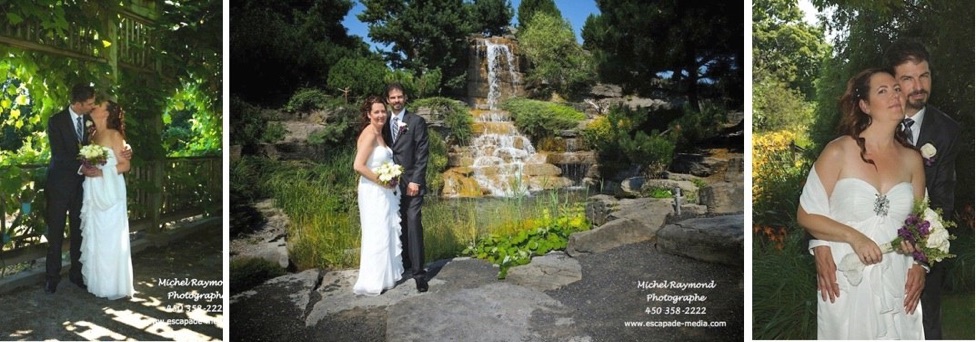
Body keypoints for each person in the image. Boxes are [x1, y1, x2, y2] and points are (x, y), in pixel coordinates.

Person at [798, 69, 926, 339]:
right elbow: (807, 214)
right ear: (865, 105)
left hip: (898, 281)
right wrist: (854, 237)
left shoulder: (913, 159)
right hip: (847, 277)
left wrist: (919, 265)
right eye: (883, 91)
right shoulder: (838, 151)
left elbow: (920, 222)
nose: (895, 95)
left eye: (896, 89)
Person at [884, 39, 961, 339]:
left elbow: (942, 199)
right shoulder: (869, 122)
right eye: (907, 78)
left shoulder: (947, 131)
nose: (918, 86)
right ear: (892, 82)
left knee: (926, 327)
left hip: (924, 249)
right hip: (873, 245)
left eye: (924, 76)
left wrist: (922, 260)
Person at [44, 83, 98, 294]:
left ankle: (77, 274)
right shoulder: (55, 121)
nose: (92, 107)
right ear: (77, 103)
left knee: (79, 232)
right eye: (89, 103)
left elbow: (102, 141)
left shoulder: (90, 120)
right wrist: (83, 168)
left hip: (81, 188)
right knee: (55, 233)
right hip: (58, 186)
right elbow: (59, 154)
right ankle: (52, 277)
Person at [78, 100, 134, 299]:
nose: (93, 107)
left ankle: (113, 285)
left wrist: (102, 174)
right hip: (93, 191)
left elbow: (125, 165)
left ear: (107, 113)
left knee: (110, 236)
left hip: (110, 191)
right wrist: (86, 168)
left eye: (99, 105)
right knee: (97, 236)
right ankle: (98, 283)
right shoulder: (92, 135)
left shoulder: (114, 135)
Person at [352, 95, 404, 296]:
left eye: (383, 111)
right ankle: (373, 281)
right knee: (377, 232)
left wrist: (392, 178)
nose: (381, 115)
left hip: (384, 191)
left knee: (385, 231)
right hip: (373, 191)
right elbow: (358, 166)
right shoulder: (370, 134)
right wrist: (382, 180)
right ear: (369, 114)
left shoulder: (380, 133)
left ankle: (386, 277)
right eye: (377, 112)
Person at [382, 83, 430, 293]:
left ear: (405, 98)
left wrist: (416, 181)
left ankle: (419, 274)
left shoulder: (416, 122)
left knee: (412, 223)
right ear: (388, 100)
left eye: (400, 97)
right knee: (397, 224)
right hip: (390, 185)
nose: (396, 101)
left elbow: (422, 154)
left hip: (411, 183)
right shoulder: (383, 123)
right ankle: (405, 265)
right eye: (393, 98)